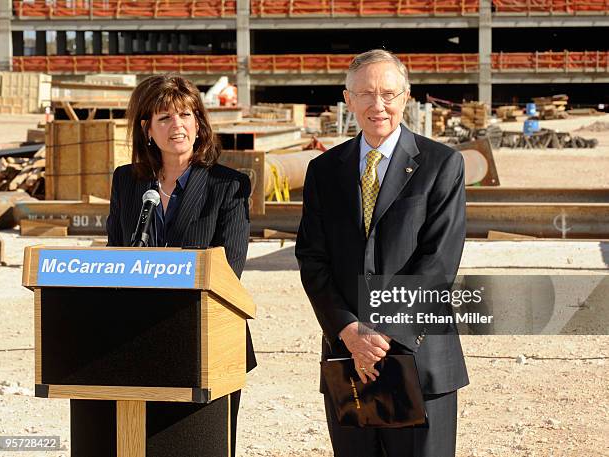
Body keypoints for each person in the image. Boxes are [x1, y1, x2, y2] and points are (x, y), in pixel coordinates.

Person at [295, 49, 469, 457]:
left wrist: (381, 331)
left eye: (389, 94)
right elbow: (312, 259)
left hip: (418, 355)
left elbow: (438, 260)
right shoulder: (324, 171)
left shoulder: (442, 164)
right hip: (349, 358)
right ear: (348, 99)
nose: (379, 105)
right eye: (366, 94)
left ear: (406, 97)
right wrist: (350, 332)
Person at [106, 74, 255, 456]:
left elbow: (229, 268)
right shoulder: (126, 181)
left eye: (187, 115)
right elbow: (113, 255)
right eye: (166, 118)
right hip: (136, 338)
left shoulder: (229, 185)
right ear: (147, 129)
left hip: (206, 339)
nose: (179, 126)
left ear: (199, 123)